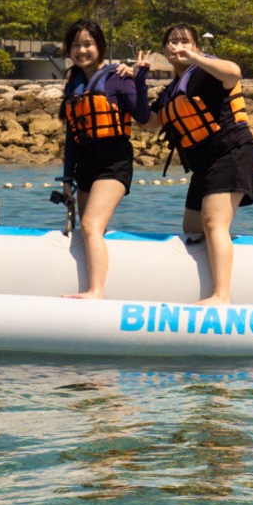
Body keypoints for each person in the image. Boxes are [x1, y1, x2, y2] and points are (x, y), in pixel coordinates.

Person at [146, 21, 253, 304]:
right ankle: (200, 283)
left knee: (213, 222)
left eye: (185, 41)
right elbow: (150, 123)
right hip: (204, 163)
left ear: (196, 47)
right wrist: (133, 81)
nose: (177, 45)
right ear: (165, 50)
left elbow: (234, 73)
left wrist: (195, 58)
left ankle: (222, 294)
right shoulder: (171, 90)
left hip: (231, 152)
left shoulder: (206, 72)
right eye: (172, 41)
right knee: (192, 227)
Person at [56, 19, 146, 297]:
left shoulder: (118, 77)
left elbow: (142, 117)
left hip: (113, 161)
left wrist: (139, 80)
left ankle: (96, 291)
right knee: (91, 229)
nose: (82, 50)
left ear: (100, 46)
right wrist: (67, 178)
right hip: (86, 164)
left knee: (90, 225)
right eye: (76, 46)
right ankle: (90, 282)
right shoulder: (74, 84)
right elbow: (72, 138)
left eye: (88, 44)